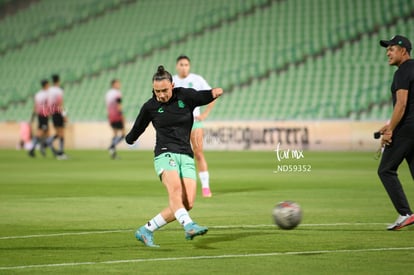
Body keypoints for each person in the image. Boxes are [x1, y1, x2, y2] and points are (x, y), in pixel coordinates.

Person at [125, 65, 223, 247]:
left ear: (172, 85)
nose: (160, 95)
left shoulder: (185, 96)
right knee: (175, 192)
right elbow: (137, 129)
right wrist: (129, 139)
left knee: (187, 202)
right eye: (157, 91)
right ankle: (189, 225)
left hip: (186, 155)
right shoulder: (150, 107)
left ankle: (146, 230)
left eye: (164, 90)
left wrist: (215, 92)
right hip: (164, 153)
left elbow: (203, 96)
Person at [378, 35, 414, 230]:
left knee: (386, 170)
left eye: (391, 49)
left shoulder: (402, 71)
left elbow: (402, 104)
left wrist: (390, 130)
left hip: (407, 128)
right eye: (387, 49)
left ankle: (405, 213)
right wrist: (389, 124)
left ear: (403, 51)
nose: (387, 53)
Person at [173, 55, 215, 197]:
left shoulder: (197, 80)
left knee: (198, 153)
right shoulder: (171, 81)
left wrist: (205, 114)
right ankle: (181, 188)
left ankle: (205, 187)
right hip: (178, 124)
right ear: (177, 66)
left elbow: (212, 95)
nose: (184, 67)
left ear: (189, 66)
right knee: (179, 156)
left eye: (186, 64)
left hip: (195, 122)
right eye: (181, 64)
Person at [47, 74, 67, 159]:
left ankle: (50, 142)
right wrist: (64, 115)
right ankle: (60, 153)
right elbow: (60, 103)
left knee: (59, 133)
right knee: (61, 133)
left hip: (53, 113)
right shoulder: (59, 90)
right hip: (58, 113)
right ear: (58, 80)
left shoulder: (49, 90)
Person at [28, 79, 50, 157]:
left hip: (40, 115)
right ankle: (33, 149)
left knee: (46, 132)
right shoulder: (47, 94)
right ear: (46, 85)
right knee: (41, 132)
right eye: (48, 84)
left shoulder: (38, 94)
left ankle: (41, 148)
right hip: (44, 115)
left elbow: (35, 106)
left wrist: (33, 116)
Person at [105, 79, 125, 159]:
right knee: (123, 134)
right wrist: (122, 115)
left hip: (110, 115)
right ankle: (112, 146)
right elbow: (118, 105)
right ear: (113, 84)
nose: (119, 85)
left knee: (115, 133)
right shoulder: (117, 93)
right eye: (118, 83)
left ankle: (113, 153)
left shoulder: (108, 93)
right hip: (117, 115)